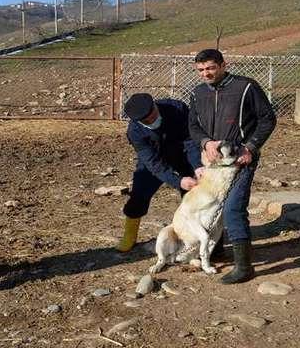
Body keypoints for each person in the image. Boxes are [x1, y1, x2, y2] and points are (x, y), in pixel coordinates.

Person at [188, 48, 276, 284]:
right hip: (213, 164)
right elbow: (193, 127)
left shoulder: (246, 87)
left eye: (210, 68)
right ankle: (217, 251)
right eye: (201, 70)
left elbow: (268, 119)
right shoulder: (197, 93)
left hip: (239, 160)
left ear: (223, 65)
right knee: (211, 206)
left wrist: (251, 147)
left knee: (233, 208)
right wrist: (206, 143)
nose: (206, 73)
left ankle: (244, 267)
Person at [116, 93, 204, 252]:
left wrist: (197, 165)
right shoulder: (135, 132)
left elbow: (190, 140)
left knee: (193, 195)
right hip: (154, 160)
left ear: (155, 105)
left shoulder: (177, 108)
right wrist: (178, 181)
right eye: (147, 121)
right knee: (139, 195)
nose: (153, 120)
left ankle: (191, 236)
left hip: (183, 154)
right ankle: (129, 235)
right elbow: (154, 164)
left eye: (154, 115)